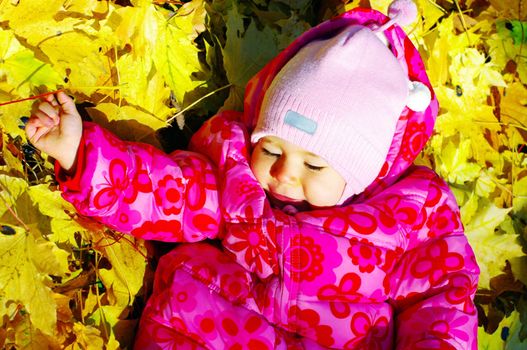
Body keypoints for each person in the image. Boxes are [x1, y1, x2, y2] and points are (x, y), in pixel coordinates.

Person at [26, 0, 480, 348]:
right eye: (272, 148)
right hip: (218, 324)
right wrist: (81, 153)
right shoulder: (237, 174)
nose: (284, 172)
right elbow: (165, 189)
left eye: (314, 165)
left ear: (363, 171)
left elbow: (441, 299)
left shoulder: (408, 219)